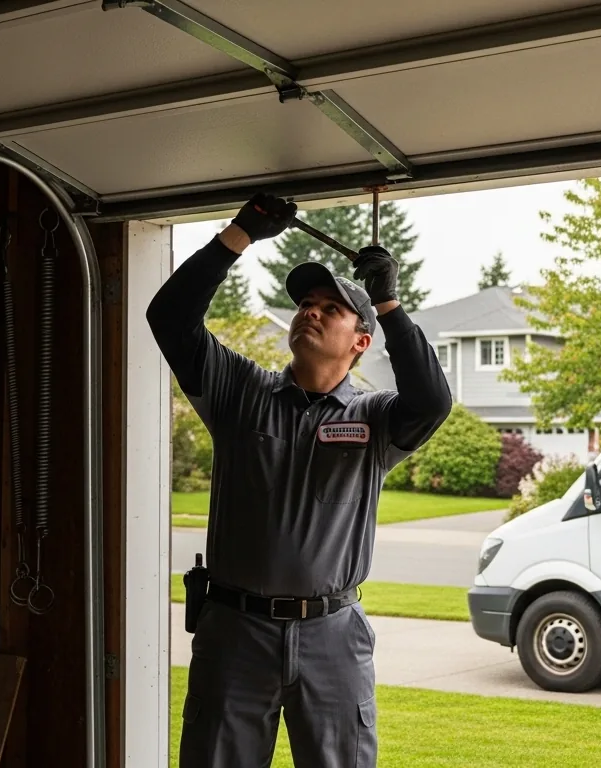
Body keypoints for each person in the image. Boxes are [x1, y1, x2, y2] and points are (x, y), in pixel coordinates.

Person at [146, 191, 453, 767]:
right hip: (236, 633)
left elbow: (432, 400)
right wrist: (239, 234)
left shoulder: (375, 419)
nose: (310, 310)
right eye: (305, 303)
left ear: (361, 341)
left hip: (333, 637)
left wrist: (387, 302)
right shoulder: (240, 392)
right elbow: (169, 316)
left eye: (331, 309)